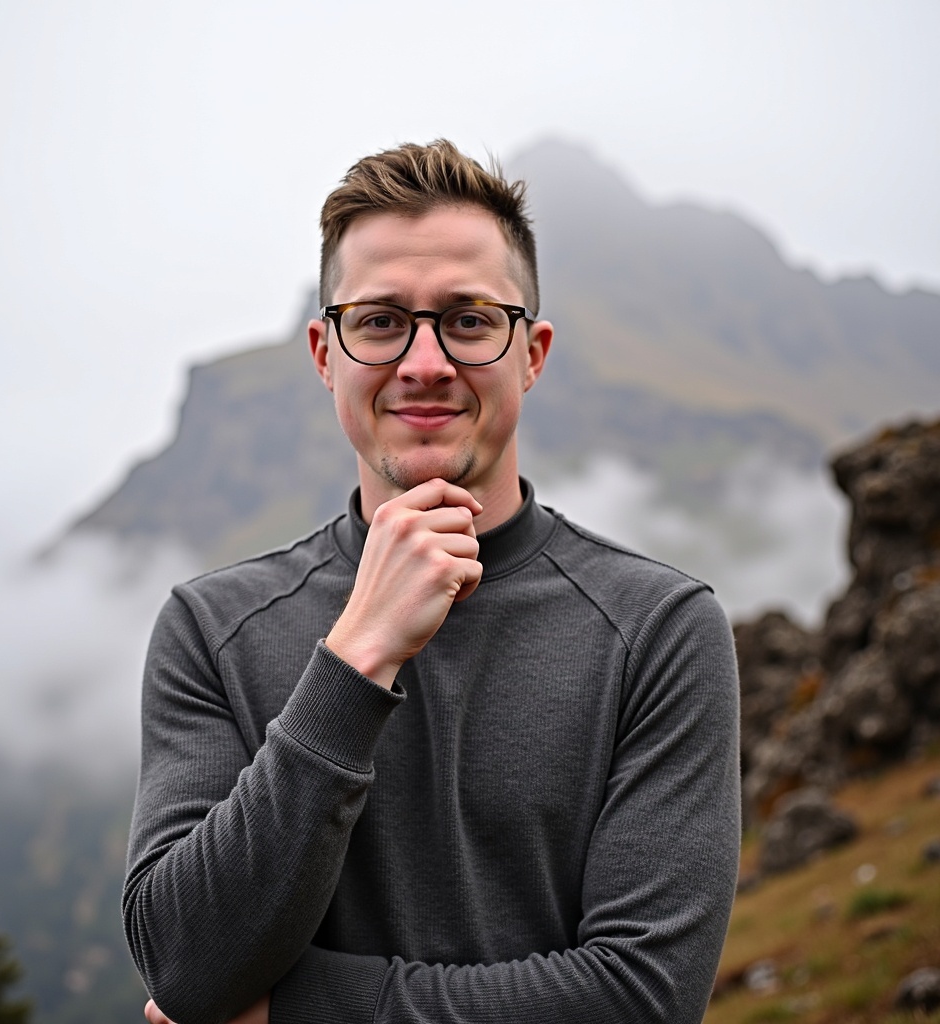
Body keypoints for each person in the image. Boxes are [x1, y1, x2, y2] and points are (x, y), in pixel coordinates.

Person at [123, 140, 741, 1024]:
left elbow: (643, 998)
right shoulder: (209, 628)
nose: (423, 362)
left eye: (469, 319)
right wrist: (357, 655)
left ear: (532, 351)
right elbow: (185, 963)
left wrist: (296, 1012)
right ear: (323, 353)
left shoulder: (659, 629)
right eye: (379, 321)